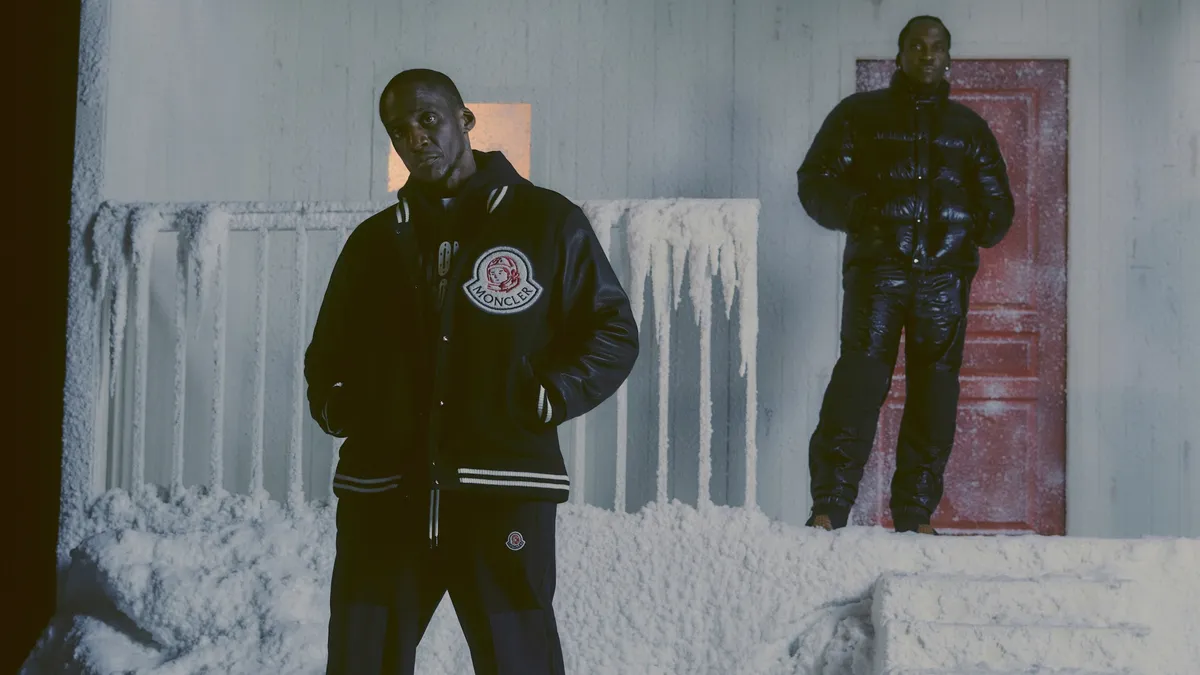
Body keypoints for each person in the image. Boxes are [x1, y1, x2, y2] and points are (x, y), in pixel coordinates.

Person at [305, 68, 639, 674]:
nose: (415, 137)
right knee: (360, 659)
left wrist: (546, 395)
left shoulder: (546, 222)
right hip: (385, 494)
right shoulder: (374, 242)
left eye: (428, 119)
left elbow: (613, 332)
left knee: (519, 661)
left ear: (465, 120)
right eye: (398, 129)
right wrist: (343, 407)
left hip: (501, 488)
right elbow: (327, 354)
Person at [796, 16, 1014, 535]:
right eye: (917, 46)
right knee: (857, 384)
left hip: (943, 283)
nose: (927, 55)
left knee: (935, 393)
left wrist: (973, 227)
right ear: (899, 56)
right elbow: (815, 181)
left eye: (937, 47)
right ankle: (830, 506)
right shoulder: (858, 115)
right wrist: (861, 211)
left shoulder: (969, 129)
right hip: (878, 274)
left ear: (948, 58)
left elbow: (998, 207)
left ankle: (915, 515)